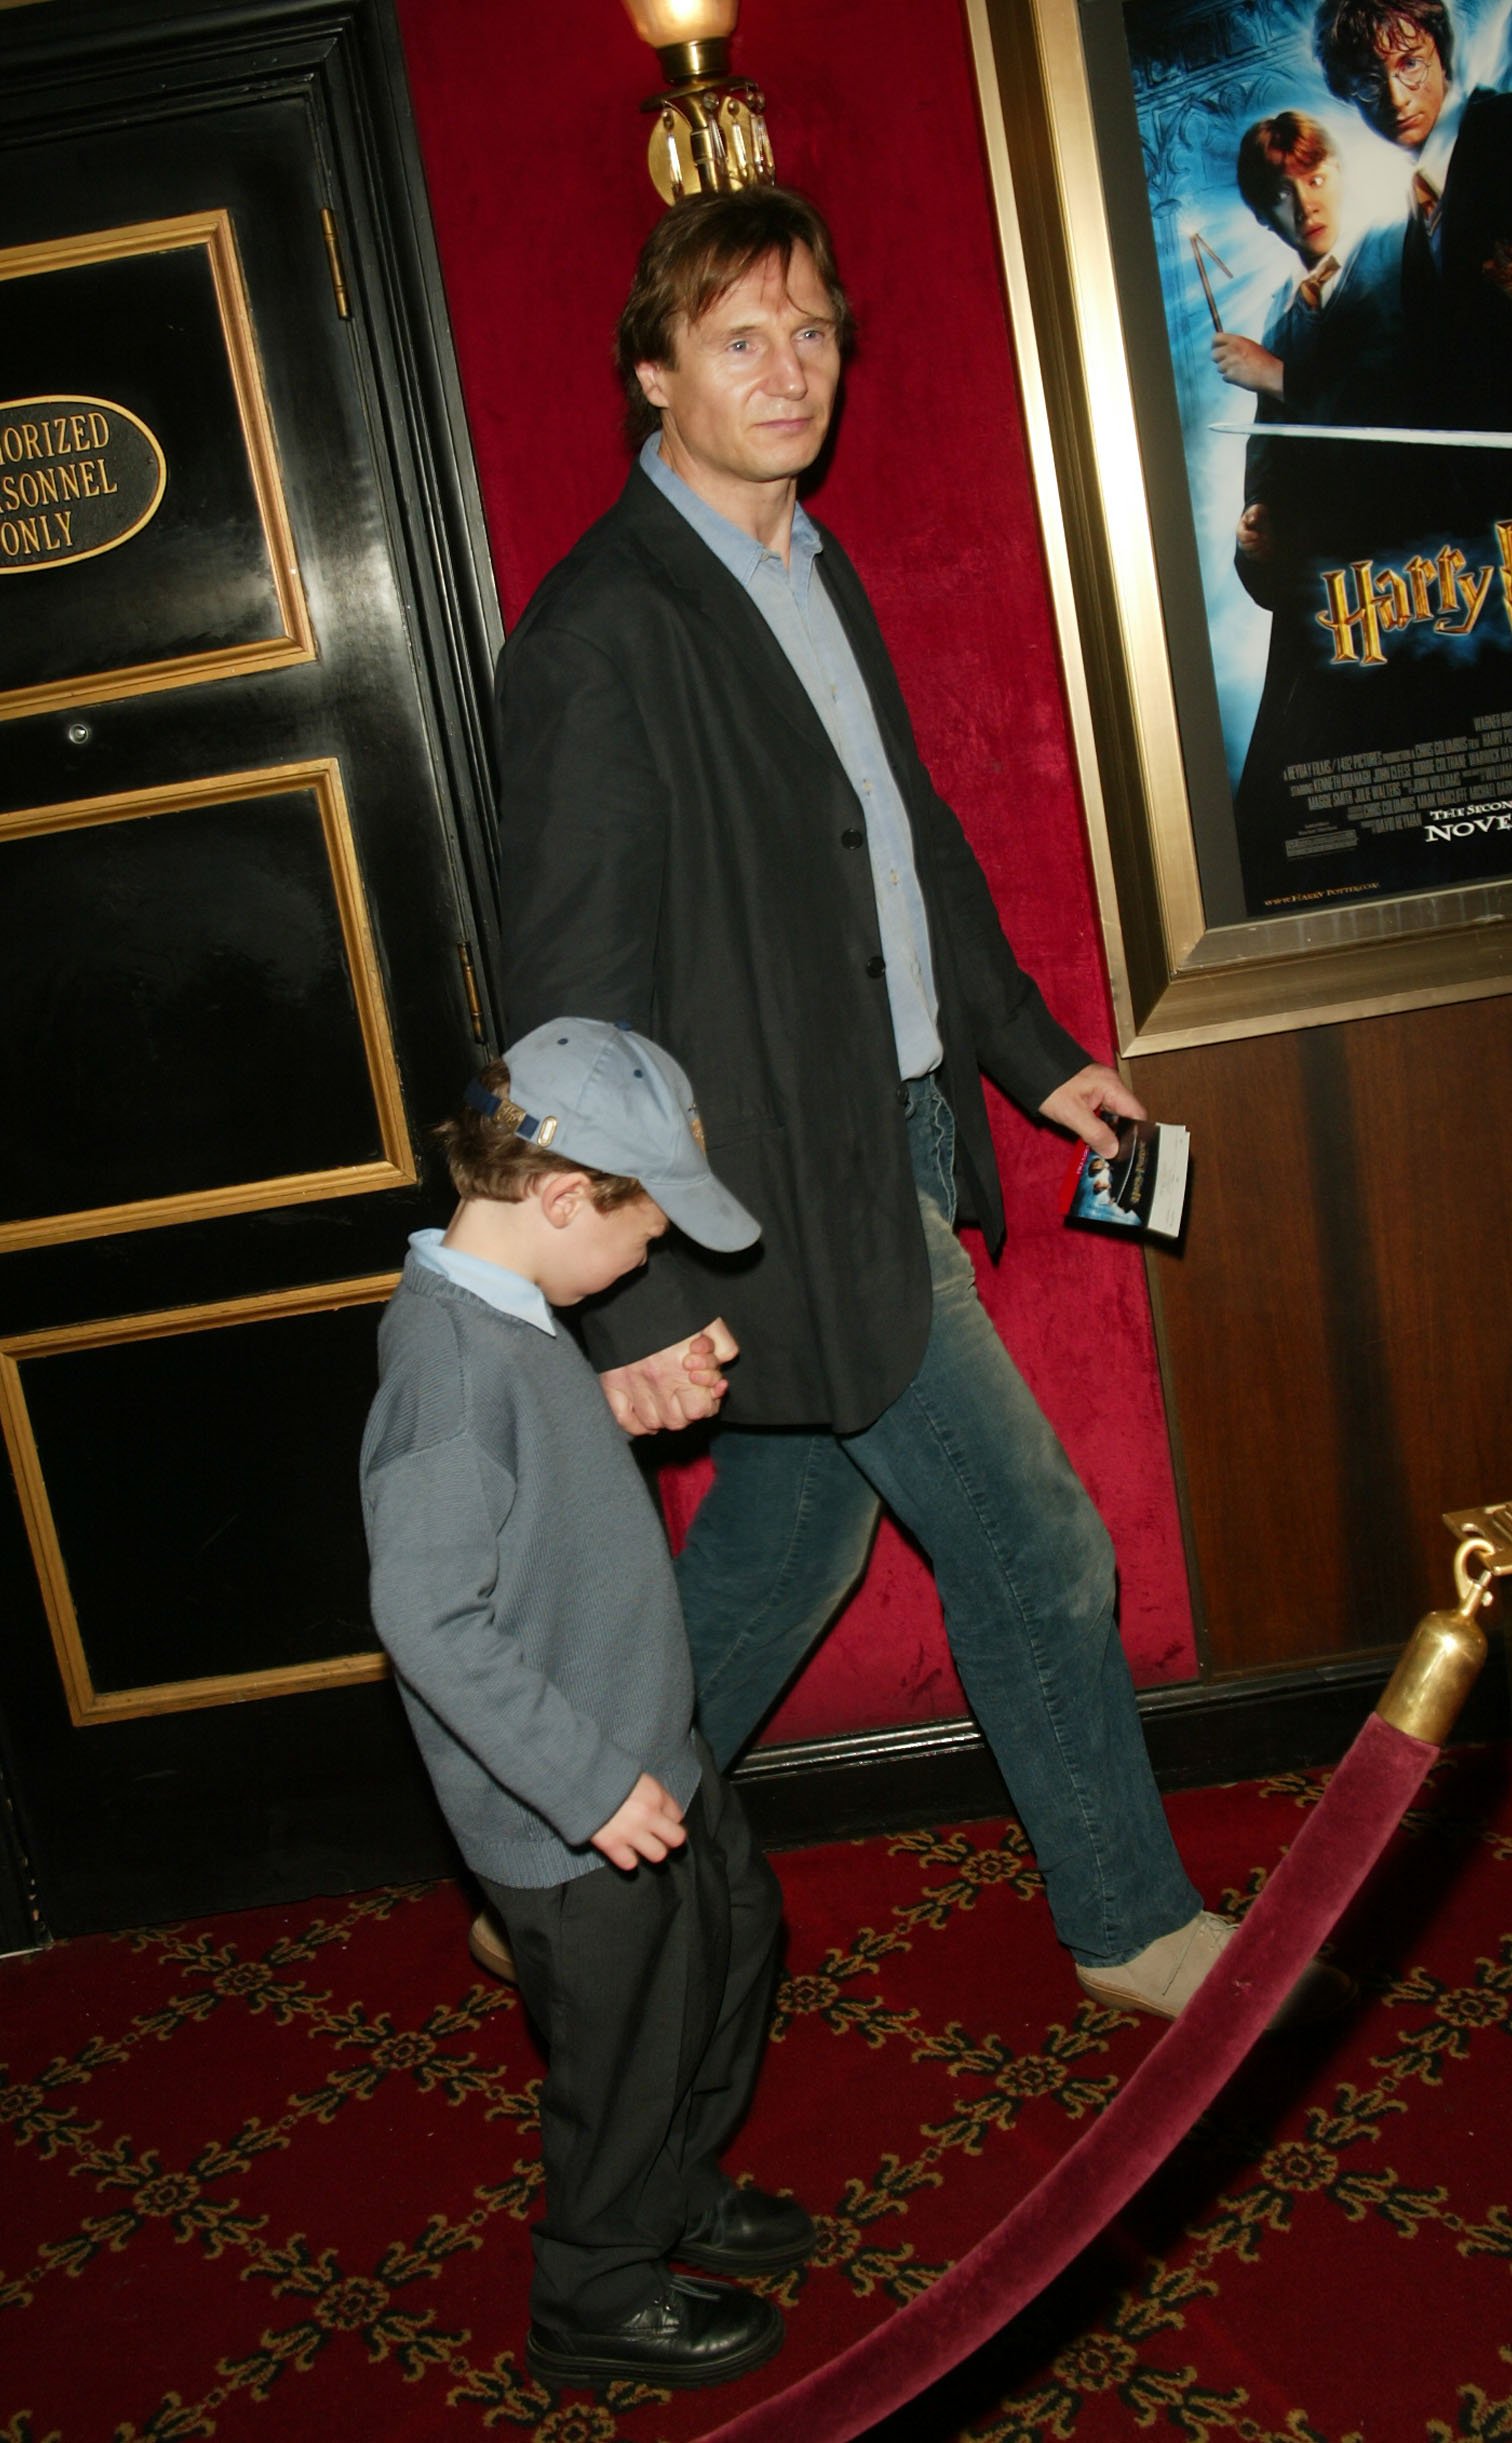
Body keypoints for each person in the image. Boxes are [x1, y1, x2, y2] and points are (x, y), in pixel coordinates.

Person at [493, 187, 1347, 2027]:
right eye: (739, 339)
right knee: (1036, 1540)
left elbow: (911, 857)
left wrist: (1037, 1061)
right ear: (654, 371)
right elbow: (563, 1005)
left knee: (788, 1538)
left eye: (810, 333)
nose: (787, 371)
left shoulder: (813, 561)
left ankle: (546, 1854)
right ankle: (1124, 1921)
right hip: (764, 1185)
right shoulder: (600, 630)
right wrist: (627, 1301)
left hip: (888, 1126)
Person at [359, 1016, 814, 2393]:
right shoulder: (446, 1367)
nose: (655, 1254)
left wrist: (610, 1403)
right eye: (647, 1224)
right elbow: (425, 1610)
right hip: (576, 1807)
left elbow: (524, 1484)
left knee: (732, 1951)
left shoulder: (511, 1308)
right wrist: (587, 1784)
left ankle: (674, 2188)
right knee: (623, 2049)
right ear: (562, 1196)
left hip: (646, 1747)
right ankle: (597, 2288)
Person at [1216, 112, 1419, 907]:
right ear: (1264, 214)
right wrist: (1250, 545)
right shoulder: (1283, 317)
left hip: (1411, 620)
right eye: (1281, 191)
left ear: (1340, 171)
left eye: (1314, 176)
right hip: (1314, 647)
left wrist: (1284, 381)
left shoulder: (1401, 272)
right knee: (1279, 868)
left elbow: (1424, 440)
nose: (1304, 202)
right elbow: (1263, 486)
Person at [1315, 0, 1512, 424]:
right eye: (1368, 81)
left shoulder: (1503, 129)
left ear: (1442, 58)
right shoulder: (1414, 218)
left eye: (1410, 64)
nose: (1395, 97)